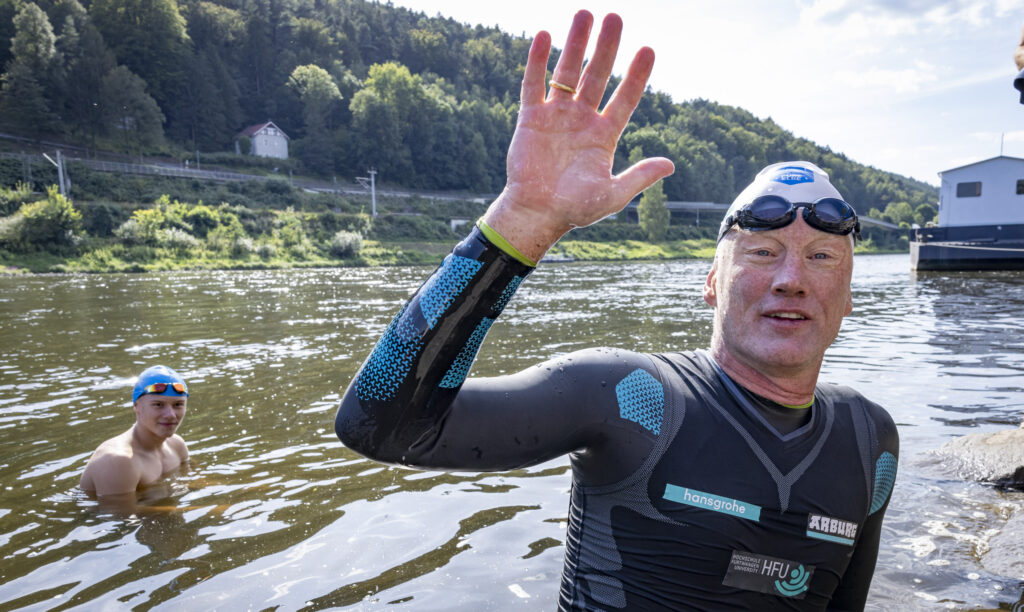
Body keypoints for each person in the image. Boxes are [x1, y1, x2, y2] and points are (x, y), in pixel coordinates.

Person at [335, 10, 898, 610]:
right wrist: (521, 222)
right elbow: (380, 424)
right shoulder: (628, 397)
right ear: (711, 284)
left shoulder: (870, 439)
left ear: (848, 299)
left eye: (821, 258)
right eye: (762, 252)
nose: (791, 279)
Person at [80, 365, 190, 498]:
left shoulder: (176, 445)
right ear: (136, 406)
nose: (170, 414)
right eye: (158, 405)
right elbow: (120, 514)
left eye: (178, 404)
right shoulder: (118, 460)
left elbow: (193, 480)